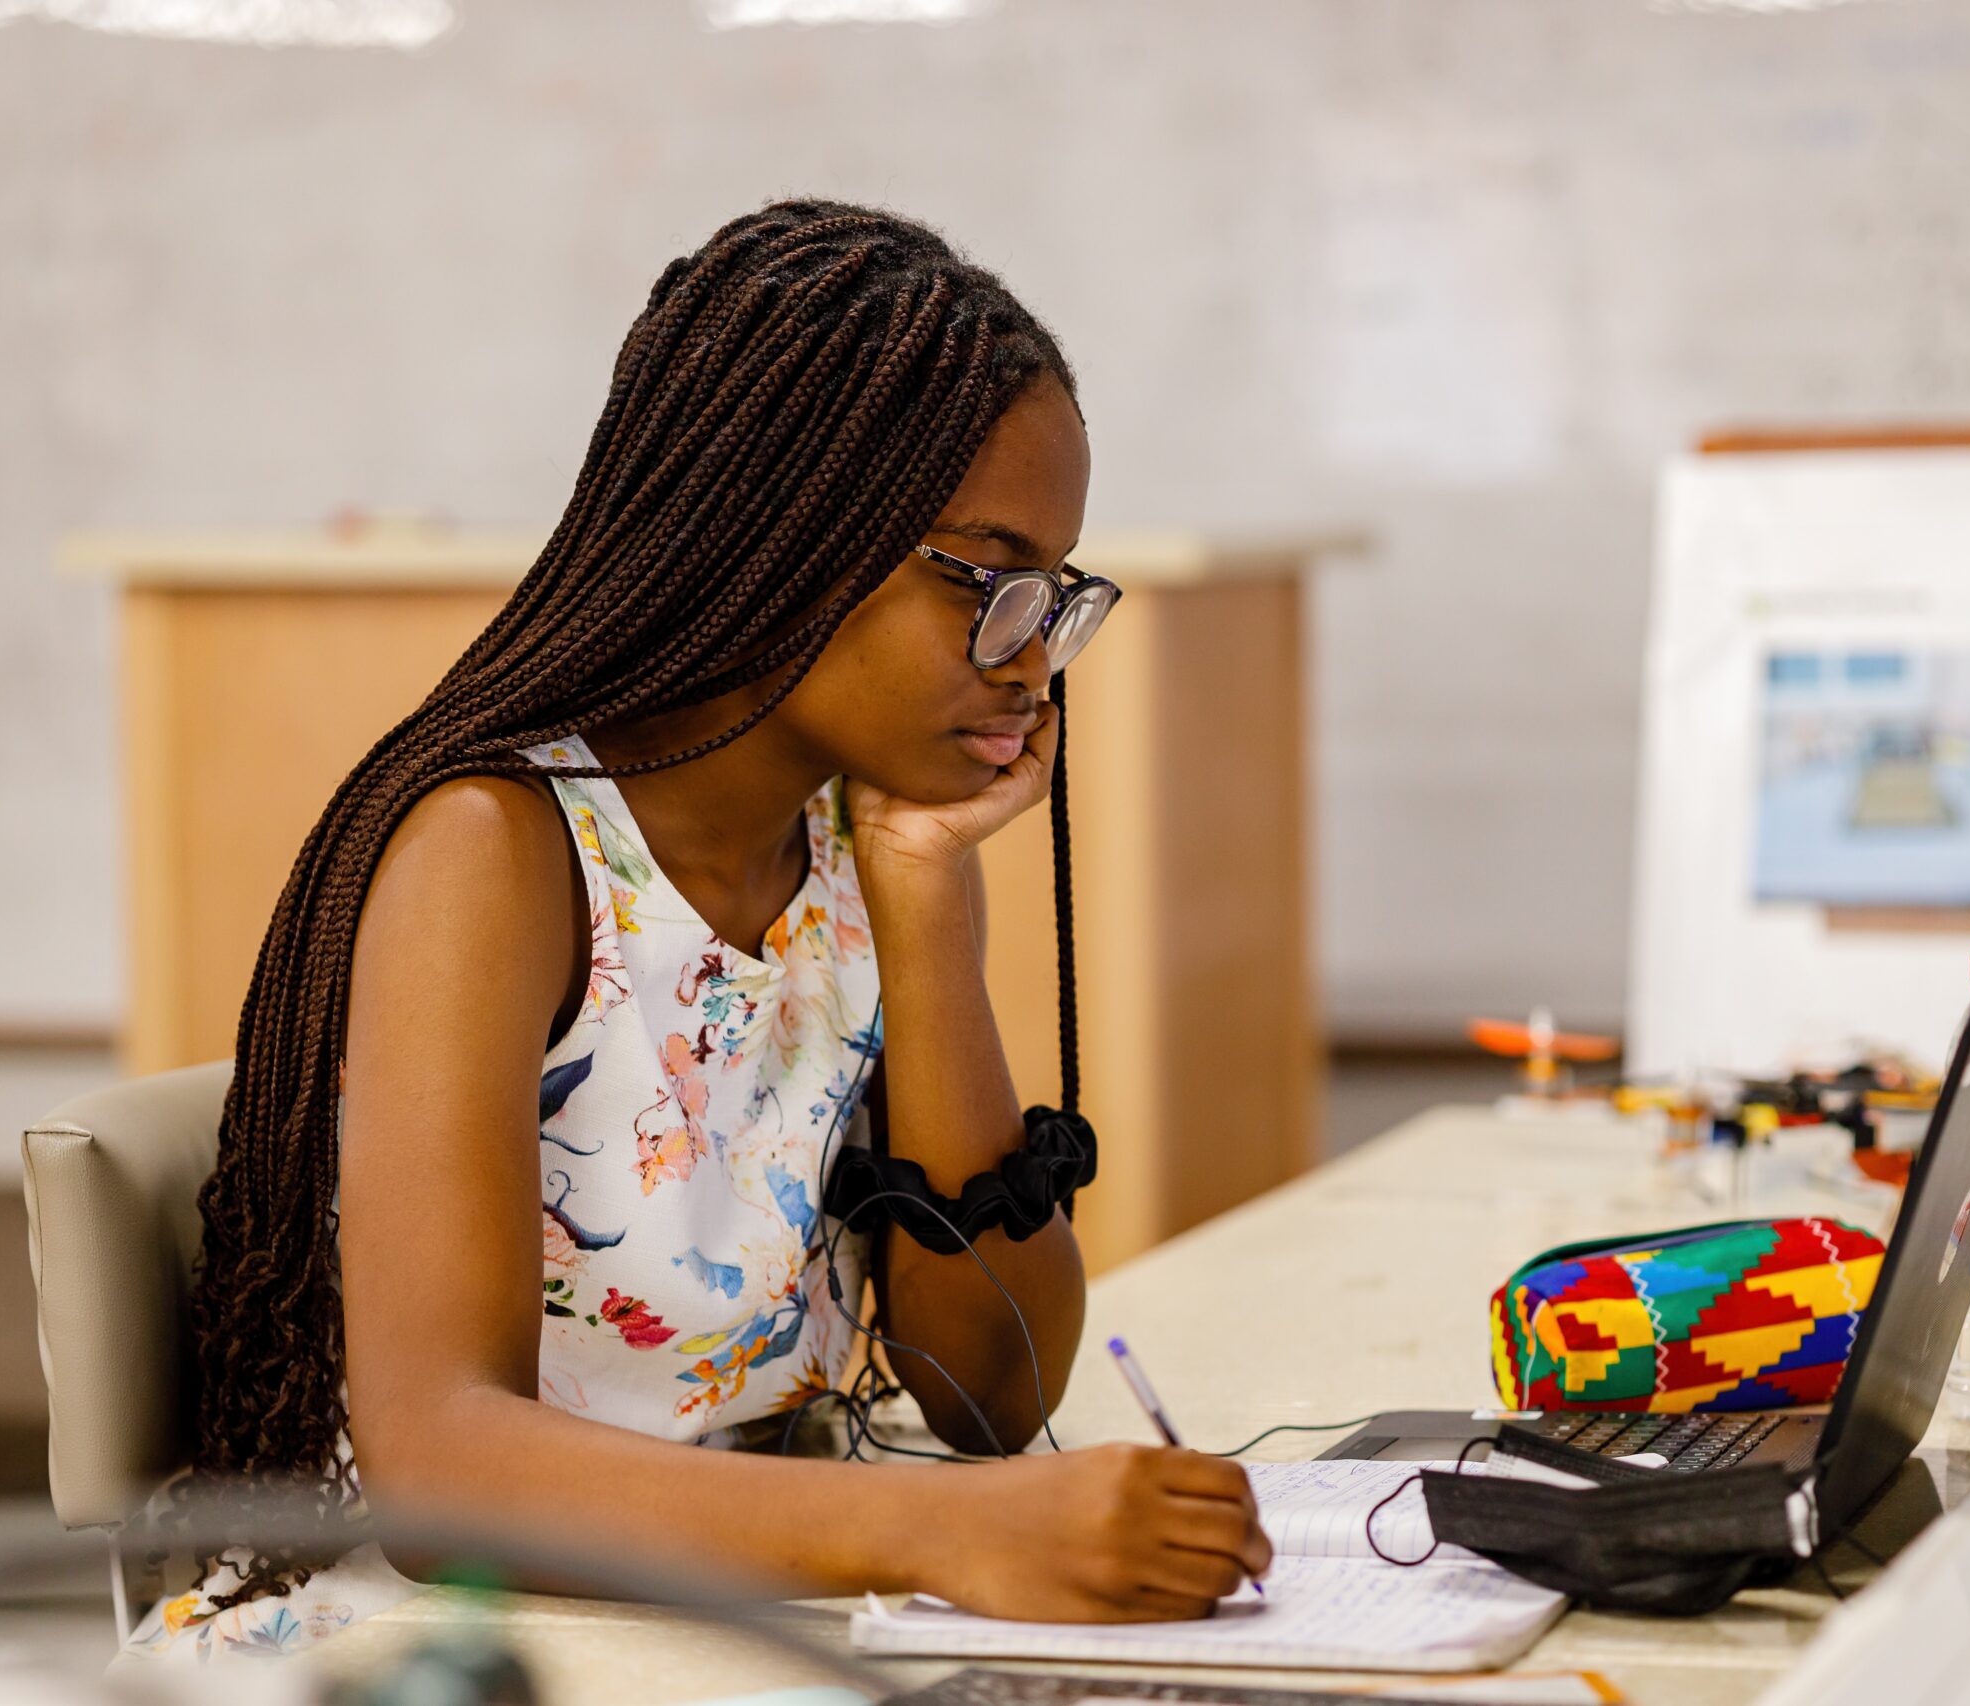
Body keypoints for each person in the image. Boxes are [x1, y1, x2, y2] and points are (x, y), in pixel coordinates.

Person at [135, 200, 1269, 1661]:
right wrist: (944, 1533)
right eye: (992, 587)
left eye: (1058, 600)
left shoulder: (860, 852)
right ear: (792, 535)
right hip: (433, 1645)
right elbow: (440, 1470)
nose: (1034, 661)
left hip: (725, 1618)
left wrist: (922, 895)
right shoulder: (496, 848)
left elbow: (992, 1390)